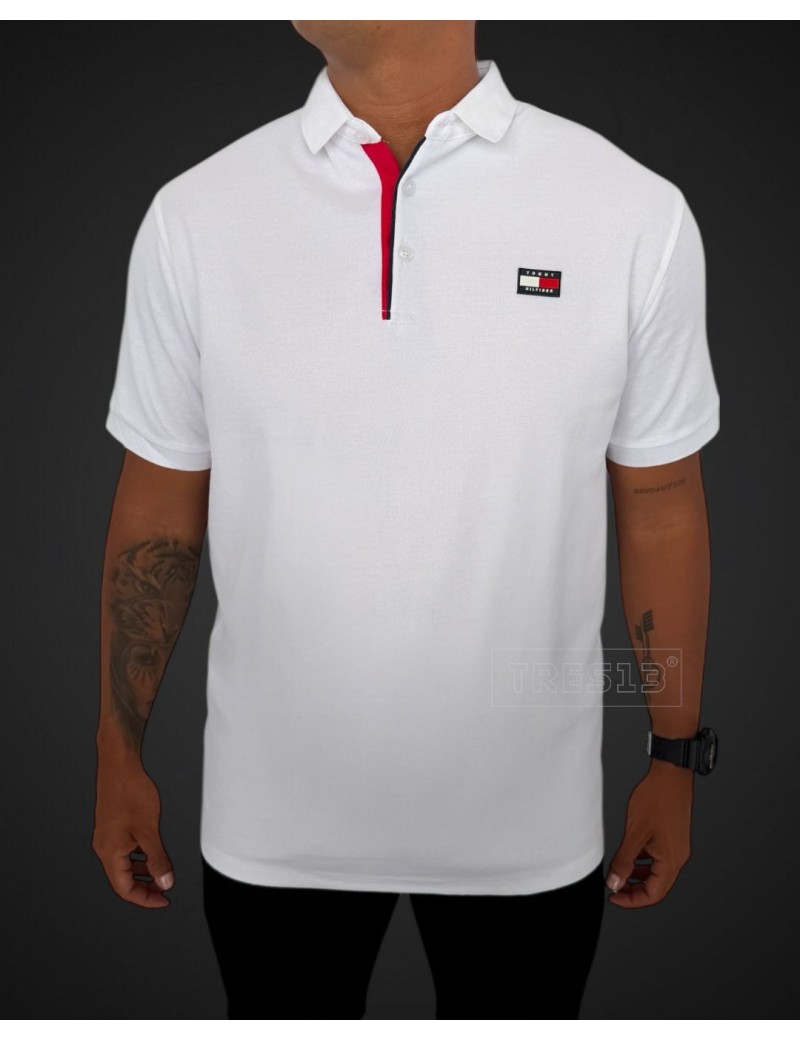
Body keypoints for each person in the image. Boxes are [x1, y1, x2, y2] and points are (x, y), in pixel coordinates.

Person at [93, 20, 720, 1020]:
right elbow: (161, 499)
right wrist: (117, 753)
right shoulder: (198, 215)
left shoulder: (631, 212)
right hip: (271, 826)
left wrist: (673, 756)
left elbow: (658, 507)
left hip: (527, 830)